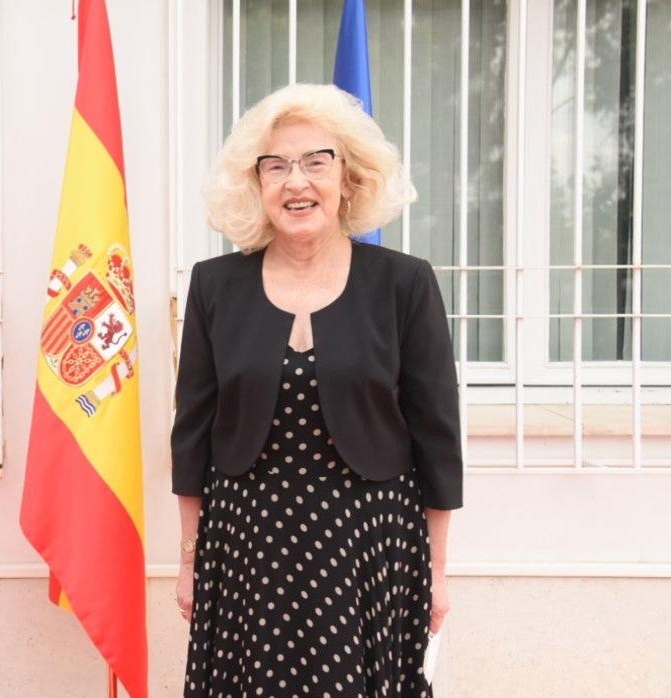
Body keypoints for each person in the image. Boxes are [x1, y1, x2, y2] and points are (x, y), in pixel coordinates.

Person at [171, 83, 462, 697]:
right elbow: (192, 434)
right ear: (255, 184)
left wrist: (437, 571)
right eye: (275, 166)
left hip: (370, 545)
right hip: (247, 546)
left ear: (349, 179)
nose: (295, 182)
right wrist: (188, 559)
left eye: (315, 162)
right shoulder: (213, 286)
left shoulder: (404, 284)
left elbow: (437, 438)